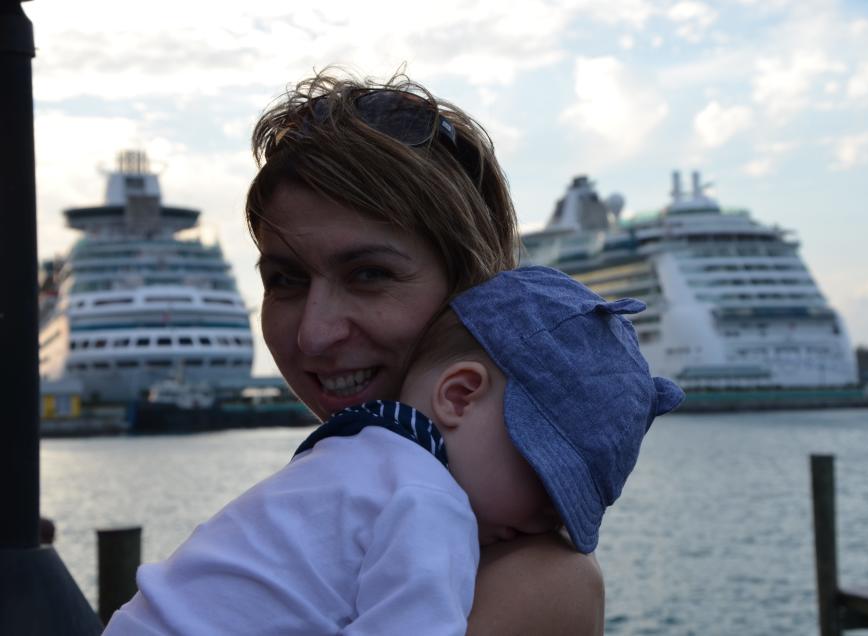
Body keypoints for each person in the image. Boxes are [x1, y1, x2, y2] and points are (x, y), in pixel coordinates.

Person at [109, 68, 607, 634]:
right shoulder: (357, 502)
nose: (313, 336)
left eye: (370, 274)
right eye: (285, 280)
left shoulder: (534, 582)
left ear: (474, 292)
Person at [103, 266, 683, 634]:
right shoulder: (429, 501)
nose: (545, 521)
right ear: (459, 395)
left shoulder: (340, 458)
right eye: (548, 483)